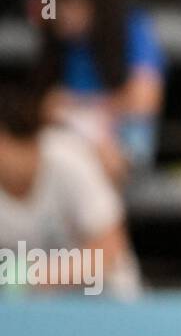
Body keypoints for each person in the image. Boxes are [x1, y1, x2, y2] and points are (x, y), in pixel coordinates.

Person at [33, 0, 167, 188]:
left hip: (121, 140)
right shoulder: (57, 45)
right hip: (68, 140)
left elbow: (144, 99)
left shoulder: (132, 28)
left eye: (72, 4)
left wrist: (81, 108)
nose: (63, 15)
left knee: (96, 157)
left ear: (96, 1)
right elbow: (47, 105)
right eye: (56, 5)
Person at [0, 82, 143, 298]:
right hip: (30, 314)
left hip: (106, 304)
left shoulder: (67, 157)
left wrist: (26, 275)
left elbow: (110, 248)